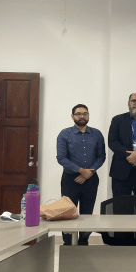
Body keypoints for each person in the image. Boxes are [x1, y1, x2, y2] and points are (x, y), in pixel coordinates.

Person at [56, 104, 106, 245]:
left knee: (87, 214)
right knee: (67, 213)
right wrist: (80, 170)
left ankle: (84, 241)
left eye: (85, 113)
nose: (82, 116)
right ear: (72, 116)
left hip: (91, 179)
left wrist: (89, 172)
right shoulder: (64, 134)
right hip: (70, 179)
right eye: (78, 113)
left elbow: (101, 157)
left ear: (88, 116)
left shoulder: (97, 134)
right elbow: (61, 158)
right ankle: (68, 244)